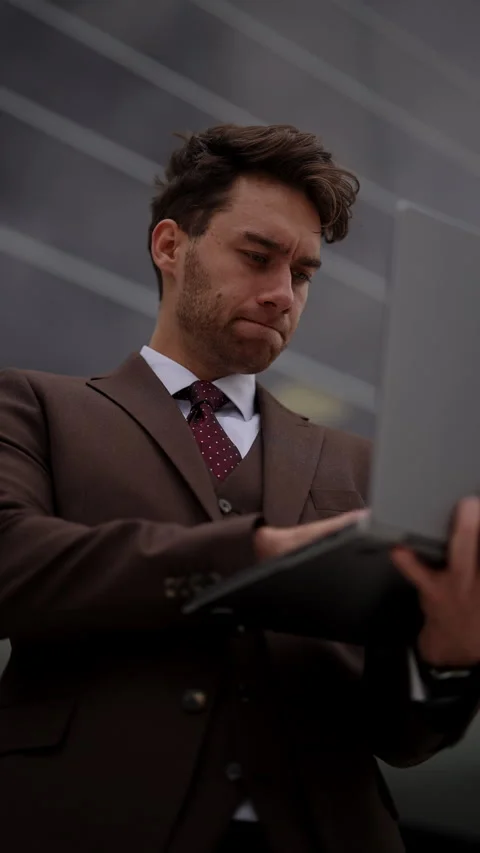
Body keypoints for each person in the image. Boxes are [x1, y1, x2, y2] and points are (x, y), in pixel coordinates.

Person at [0, 123, 479, 853]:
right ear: (170, 246)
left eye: (305, 273)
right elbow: (13, 562)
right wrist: (256, 551)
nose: (282, 293)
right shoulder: (31, 406)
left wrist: (445, 655)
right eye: (258, 256)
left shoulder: (368, 468)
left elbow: (402, 737)